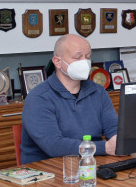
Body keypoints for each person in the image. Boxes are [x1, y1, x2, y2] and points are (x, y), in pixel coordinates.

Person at [20, 34, 118, 165]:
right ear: (57, 62)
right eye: (78, 57)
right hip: (49, 169)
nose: (84, 62)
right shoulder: (39, 98)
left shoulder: (98, 92)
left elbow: (113, 128)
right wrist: (105, 147)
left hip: (90, 163)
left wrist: (119, 141)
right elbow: (53, 145)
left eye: (88, 57)